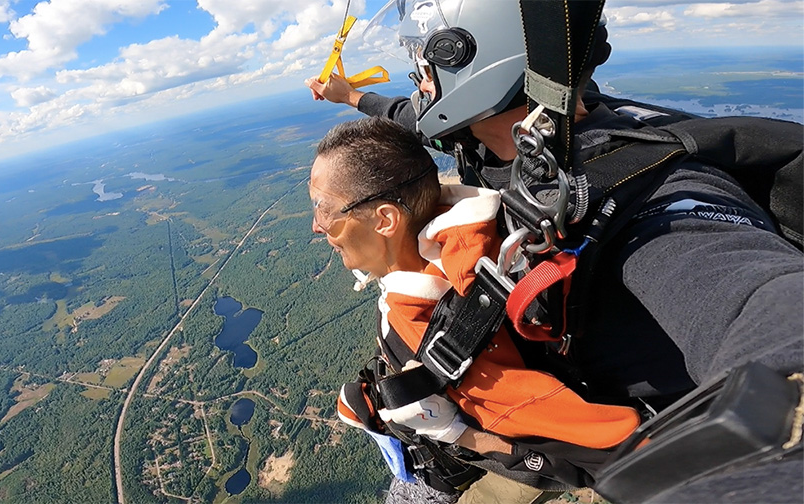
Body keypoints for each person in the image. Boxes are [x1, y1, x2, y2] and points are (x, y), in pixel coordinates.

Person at [307, 1, 803, 503]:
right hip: (555, 395)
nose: (419, 79)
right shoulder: (513, 135)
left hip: (618, 443)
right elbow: (414, 118)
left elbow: (765, 302)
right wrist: (353, 98)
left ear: (469, 59)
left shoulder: (652, 202)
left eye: (423, 60)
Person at [312, 116, 643, 502]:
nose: (317, 227)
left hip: (453, 477)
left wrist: (453, 432)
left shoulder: (436, 335)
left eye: (325, 211)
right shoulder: (459, 241)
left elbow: (604, 447)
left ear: (386, 219)